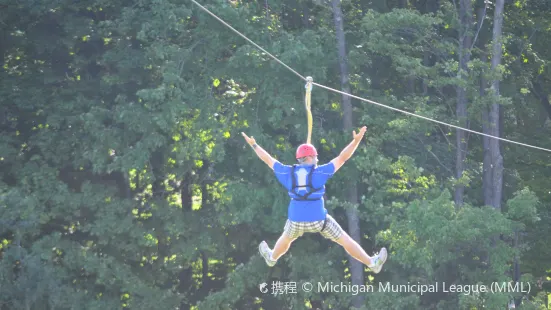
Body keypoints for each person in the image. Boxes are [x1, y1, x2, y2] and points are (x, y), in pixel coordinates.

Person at [240, 126, 387, 273]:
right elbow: (342, 158)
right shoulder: (319, 172)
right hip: (319, 220)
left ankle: (272, 258)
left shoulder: (287, 172)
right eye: (315, 156)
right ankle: (371, 263)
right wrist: (356, 142)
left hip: (296, 220)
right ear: (310, 157)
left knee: (286, 238)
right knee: (344, 239)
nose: (317, 159)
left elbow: (268, 160)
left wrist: (254, 144)